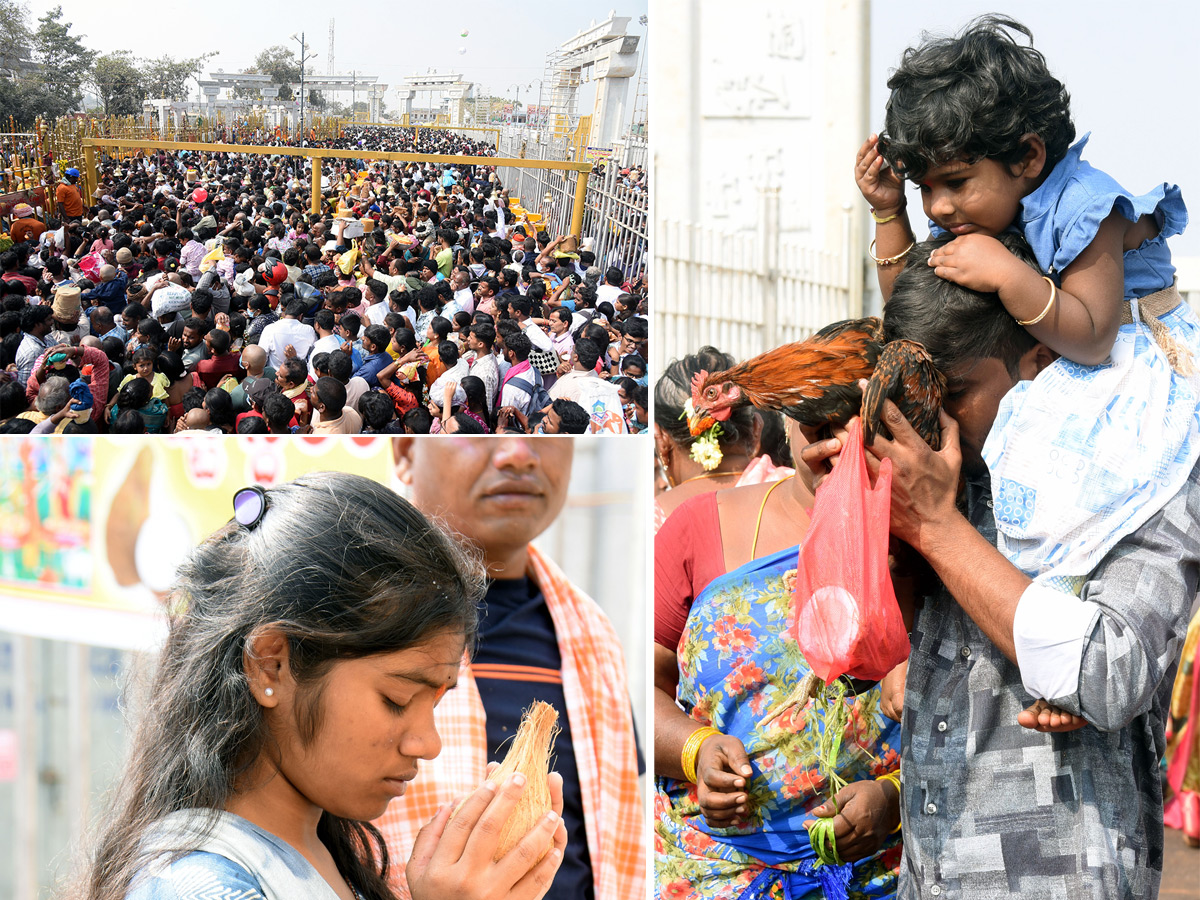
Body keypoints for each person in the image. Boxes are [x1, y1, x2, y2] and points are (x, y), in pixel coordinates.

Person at [836, 237, 1199, 898]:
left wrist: (938, 529)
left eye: (959, 391)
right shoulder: (952, 467)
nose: (934, 421)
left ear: (1041, 358)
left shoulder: (1147, 470)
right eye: (923, 396)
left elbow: (1107, 673)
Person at [76, 472, 566, 900]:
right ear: (270, 666)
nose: (428, 743)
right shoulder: (200, 885)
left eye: (437, 700)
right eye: (396, 700)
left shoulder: (331, 854)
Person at [856, 14, 1200, 599]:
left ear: (1029, 157)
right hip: (1065, 355)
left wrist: (1009, 274)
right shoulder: (985, 212)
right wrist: (890, 214)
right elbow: (925, 322)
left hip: (1128, 364)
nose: (938, 206)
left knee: (1092, 512)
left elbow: (1092, 337)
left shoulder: (1088, 206)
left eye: (956, 181)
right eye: (924, 188)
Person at [379, 438, 643, 900]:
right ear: (404, 452)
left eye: (546, 435)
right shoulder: (355, 618)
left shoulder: (590, 633)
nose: (518, 455)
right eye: (480, 436)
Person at [655, 418, 902, 900]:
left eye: (855, 417)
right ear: (786, 418)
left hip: (877, 874)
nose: (837, 440)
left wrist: (895, 796)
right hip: (710, 871)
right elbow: (640, 686)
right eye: (817, 421)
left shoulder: (917, 537)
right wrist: (697, 749)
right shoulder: (701, 527)